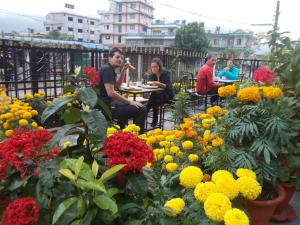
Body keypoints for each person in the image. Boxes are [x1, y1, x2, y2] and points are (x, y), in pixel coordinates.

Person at [98, 47, 147, 133]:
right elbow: (111, 93)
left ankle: (122, 135)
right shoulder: (107, 70)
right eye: (117, 57)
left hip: (108, 104)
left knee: (126, 104)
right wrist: (129, 101)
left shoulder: (109, 69)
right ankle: (137, 139)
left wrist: (124, 70)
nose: (120, 59)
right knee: (141, 109)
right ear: (110, 57)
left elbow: (117, 85)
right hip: (106, 107)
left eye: (121, 58)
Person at [146, 58, 174, 127]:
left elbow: (168, 87)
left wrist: (159, 84)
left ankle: (146, 113)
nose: (153, 68)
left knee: (154, 97)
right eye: (152, 67)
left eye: (155, 66)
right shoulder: (152, 76)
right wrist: (151, 85)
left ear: (159, 67)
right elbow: (150, 85)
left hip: (167, 95)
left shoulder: (165, 74)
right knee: (154, 97)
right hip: (157, 96)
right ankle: (152, 119)